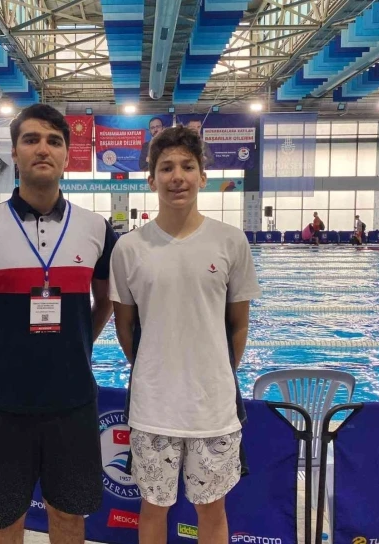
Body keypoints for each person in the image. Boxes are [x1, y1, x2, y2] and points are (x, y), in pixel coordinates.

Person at [0, 104, 116, 544]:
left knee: (70, 515)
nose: (43, 149)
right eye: (31, 139)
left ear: (67, 156)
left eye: (54, 141)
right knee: (3, 521)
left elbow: (105, 302)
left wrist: (77, 347)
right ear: (14, 153)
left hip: (72, 402)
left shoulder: (96, 229)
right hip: (1, 403)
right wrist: (0, 351)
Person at [110, 126, 261, 544]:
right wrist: (154, 368)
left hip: (213, 408)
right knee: (152, 508)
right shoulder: (129, 249)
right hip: (153, 406)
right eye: (166, 168)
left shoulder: (230, 242)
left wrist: (215, 371)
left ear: (203, 177)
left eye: (187, 167)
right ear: (151, 180)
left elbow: (239, 324)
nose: (177, 176)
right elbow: (124, 326)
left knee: (212, 509)